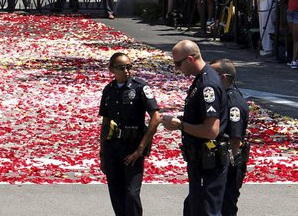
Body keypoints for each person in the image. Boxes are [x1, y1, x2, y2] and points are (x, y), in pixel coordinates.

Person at [161, 40, 229, 216]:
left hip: (207, 162)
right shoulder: (202, 80)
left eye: (178, 63)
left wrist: (180, 125)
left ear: (190, 59)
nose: (177, 68)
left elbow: (211, 131)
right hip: (200, 161)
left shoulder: (207, 84)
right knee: (193, 208)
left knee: (205, 210)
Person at [98, 52, 161, 216]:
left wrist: (141, 149)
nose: (126, 71)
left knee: (132, 194)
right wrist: (102, 154)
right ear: (111, 69)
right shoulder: (109, 90)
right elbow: (105, 123)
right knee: (116, 192)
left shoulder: (140, 87)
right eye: (121, 68)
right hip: (113, 147)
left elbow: (155, 117)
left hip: (132, 148)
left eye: (129, 67)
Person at [211, 59, 249, 216]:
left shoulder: (232, 102)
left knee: (225, 205)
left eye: (213, 74)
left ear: (223, 77)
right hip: (222, 158)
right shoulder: (224, 96)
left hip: (229, 161)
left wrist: (229, 165)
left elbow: (235, 138)